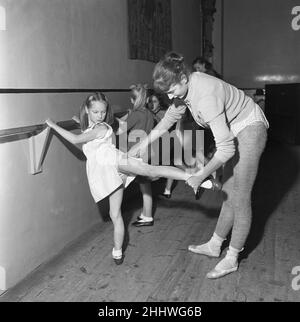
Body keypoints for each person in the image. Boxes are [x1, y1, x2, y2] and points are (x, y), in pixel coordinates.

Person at [128, 52, 269, 279]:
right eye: (166, 93)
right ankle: (215, 245)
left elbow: (225, 149)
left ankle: (232, 258)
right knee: (227, 193)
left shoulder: (205, 96)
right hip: (234, 130)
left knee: (240, 197)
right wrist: (141, 145)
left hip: (250, 128)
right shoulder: (183, 90)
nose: (170, 95)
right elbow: (167, 120)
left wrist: (200, 175)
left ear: (184, 78)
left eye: (172, 90)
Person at [45, 93, 212, 265]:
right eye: (96, 112)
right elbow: (88, 133)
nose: (100, 115)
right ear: (87, 110)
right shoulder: (93, 128)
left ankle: (193, 177)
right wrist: (78, 121)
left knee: (150, 170)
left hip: (115, 162)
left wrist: (52, 125)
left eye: (103, 112)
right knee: (114, 213)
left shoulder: (100, 128)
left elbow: (76, 139)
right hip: (109, 173)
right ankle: (117, 251)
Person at [117, 84, 155, 227]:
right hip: (147, 151)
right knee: (145, 186)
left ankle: (146, 216)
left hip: (135, 154)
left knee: (121, 182)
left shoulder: (135, 114)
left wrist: (124, 118)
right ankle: (147, 215)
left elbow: (120, 131)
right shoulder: (149, 114)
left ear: (133, 100)